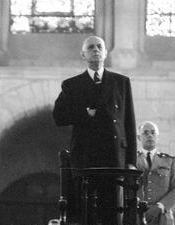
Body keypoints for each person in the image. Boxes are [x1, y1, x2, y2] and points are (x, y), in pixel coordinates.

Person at [53, 35, 136, 169]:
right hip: (85, 155)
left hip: (114, 154)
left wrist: (131, 161)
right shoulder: (72, 85)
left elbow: (129, 122)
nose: (96, 50)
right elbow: (59, 117)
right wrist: (85, 114)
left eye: (99, 47)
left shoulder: (121, 82)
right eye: (91, 47)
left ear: (105, 53)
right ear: (83, 55)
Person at [136, 121, 175, 225]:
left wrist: (160, 206)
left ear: (157, 136)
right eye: (145, 133)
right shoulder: (132, 160)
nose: (150, 135)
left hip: (162, 217)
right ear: (139, 138)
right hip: (137, 216)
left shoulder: (169, 161)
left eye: (153, 132)